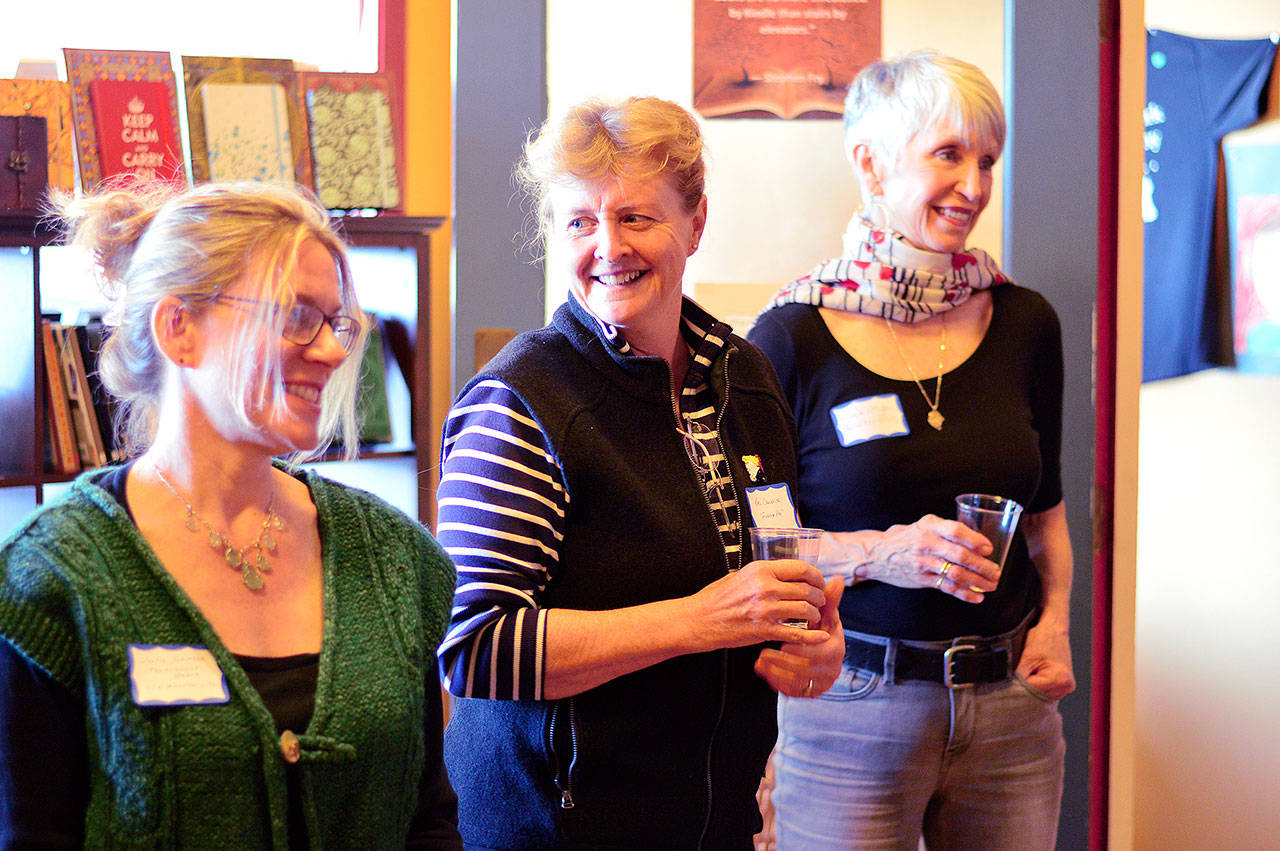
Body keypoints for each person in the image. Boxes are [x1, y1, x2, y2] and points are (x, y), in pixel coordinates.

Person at [436, 96, 845, 849]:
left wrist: (815, 646)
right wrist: (698, 621)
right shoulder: (521, 399)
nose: (608, 245)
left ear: (695, 223)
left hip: (714, 824)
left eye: (636, 217)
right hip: (552, 828)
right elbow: (475, 648)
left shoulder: (746, 378)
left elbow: (770, 572)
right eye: (580, 221)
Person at [0, 182, 461, 848]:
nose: (333, 351)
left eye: (335, 321)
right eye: (295, 315)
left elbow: (429, 821)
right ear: (177, 328)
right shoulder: (50, 578)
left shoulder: (395, 560)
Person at [747, 51, 1075, 850]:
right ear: (870, 161)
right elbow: (763, 549)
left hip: (1008, 708)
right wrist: (883, 555)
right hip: (850, 701)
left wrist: (1057, 621)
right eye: (949, 154)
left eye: (987, 159)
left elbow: (1047, 513)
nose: (973, 185)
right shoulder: (790, 337)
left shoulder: (1025, 321)